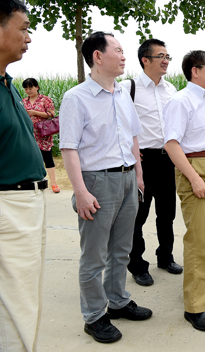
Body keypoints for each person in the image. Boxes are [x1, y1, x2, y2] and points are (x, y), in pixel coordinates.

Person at [59, 32, 152, 344]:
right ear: (97, 57)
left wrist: (138, 175)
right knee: (95, 256)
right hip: (97, 181)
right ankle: (94, 315)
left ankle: (118, 299)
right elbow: (69, 149)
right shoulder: (76, 98)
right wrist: (81, 191)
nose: (124, 56)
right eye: (119, 50)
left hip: (127, 178)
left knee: (121, 249)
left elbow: (134, 137)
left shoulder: (123, 92)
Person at [163, 51, 205, 332]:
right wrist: (195, 178)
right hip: (195, 169)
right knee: (198, 238)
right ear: (194, 71)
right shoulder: (181, 101)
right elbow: (171, 144)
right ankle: (195, 306)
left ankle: (199, 283)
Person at [0, 0, 48, 352]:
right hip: (8, 205)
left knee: (22, 296)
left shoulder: (8, 84)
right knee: (15, 300)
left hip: (25, 201)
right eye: (24, 30)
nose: (29, 38)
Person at [121, 39, 181, 287]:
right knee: (138, 216)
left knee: (167, 213)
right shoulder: (128, 87)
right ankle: (137, 265)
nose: (166, 60)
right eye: (160, 56)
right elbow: (117, 122)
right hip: (142, 161)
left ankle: (165, 257)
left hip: (168, 159)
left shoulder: (172, 90)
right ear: (145, 60)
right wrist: (130, 151)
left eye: (167, 56)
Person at [22, 78, 61, 193]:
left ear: (37, 87)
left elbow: (51, 114)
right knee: (30, 158)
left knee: (47, 157)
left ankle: (53, 183)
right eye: (26, 88)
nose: (29, 90)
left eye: (31, 88)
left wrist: (34, 112)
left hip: (43, 133)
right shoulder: (23, 101)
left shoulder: (45, 100)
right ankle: (33, 181)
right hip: (29, 133)